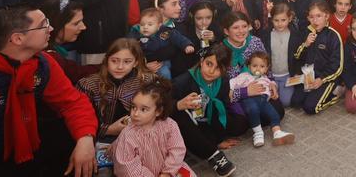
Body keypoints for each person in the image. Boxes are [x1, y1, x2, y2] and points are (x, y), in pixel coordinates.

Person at [0, 5, 97, 177]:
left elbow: (73, 102)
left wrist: (86, 138)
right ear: (18, 38)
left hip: (30, 154)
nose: (51, 28)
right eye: (44, 24)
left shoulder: (42, 63)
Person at [171, 43, 246, 176]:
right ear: (201, 61)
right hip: (190, 123)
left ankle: (207, 143)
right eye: (209, 64)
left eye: (218, 68)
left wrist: (220, 138)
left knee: (241, 124)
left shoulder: (223, 80)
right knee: (183, 122)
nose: (211, 71)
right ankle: (215, 156)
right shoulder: (182, 81)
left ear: (224, 70)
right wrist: (179, 104)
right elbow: (162, 106)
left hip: (208, 119)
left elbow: (221, 106)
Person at [110, 78, 195, 176]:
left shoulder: (170, 125)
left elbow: (177, 149)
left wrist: (167, 173)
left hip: (169, 170)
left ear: (158, 111)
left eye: (143, 109)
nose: (135, 113)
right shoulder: (128, 135)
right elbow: (127, 167)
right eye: (134, 107)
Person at [227, 51, 294, 147]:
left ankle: (277, 132)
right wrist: (231, 90)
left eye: (262, 66)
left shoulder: (265, 77)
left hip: (263, 100)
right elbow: (232, 82)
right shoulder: (244, 76)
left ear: (266, 69)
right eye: (254, 66)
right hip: (249, 99)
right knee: (253, 110)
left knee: (274, 113)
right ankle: (258, 133)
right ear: (249, 66)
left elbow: (271, 82)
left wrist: (273, 86)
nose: (258, 68)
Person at [291, 0, 344, 115]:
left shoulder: (333, 36)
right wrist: (305, 44)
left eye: (319, 16)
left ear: (327, 16)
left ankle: (335, 94)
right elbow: (296, 57)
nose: (315, 20)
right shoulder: (306, 33)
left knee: (310, 108)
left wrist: (322, 79)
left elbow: (337, 67)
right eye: (311, 17)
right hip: (308, 76)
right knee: (295, 102)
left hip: (326, 78)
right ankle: (314, 93)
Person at [127, 8, 194, 79]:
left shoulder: (165, 31)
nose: (145, 27)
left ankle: (166, 87)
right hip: (143, 61)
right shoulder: (136, 33)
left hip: (161, 62)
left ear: (159, 26)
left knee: (164, 73)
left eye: (150, 24)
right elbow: (128, 45)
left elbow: (179, 38)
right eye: (142, 24)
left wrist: (187, 45)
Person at [41, 0, 97, 82]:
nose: (83, 27)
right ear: (56, 24)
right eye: (76, 23)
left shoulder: (53, 51)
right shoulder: (50, 57)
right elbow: (76, 73)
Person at [262, 3, 301, 108]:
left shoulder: (295, 35)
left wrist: (297, 72)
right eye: (276, 20)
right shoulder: (266, 34)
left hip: (286, 75)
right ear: (271, 19)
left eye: (283, 20)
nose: (279, 24)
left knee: (286, 102)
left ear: (290, 18)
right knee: (267, 99)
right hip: (270, 76)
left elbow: (298, 56)